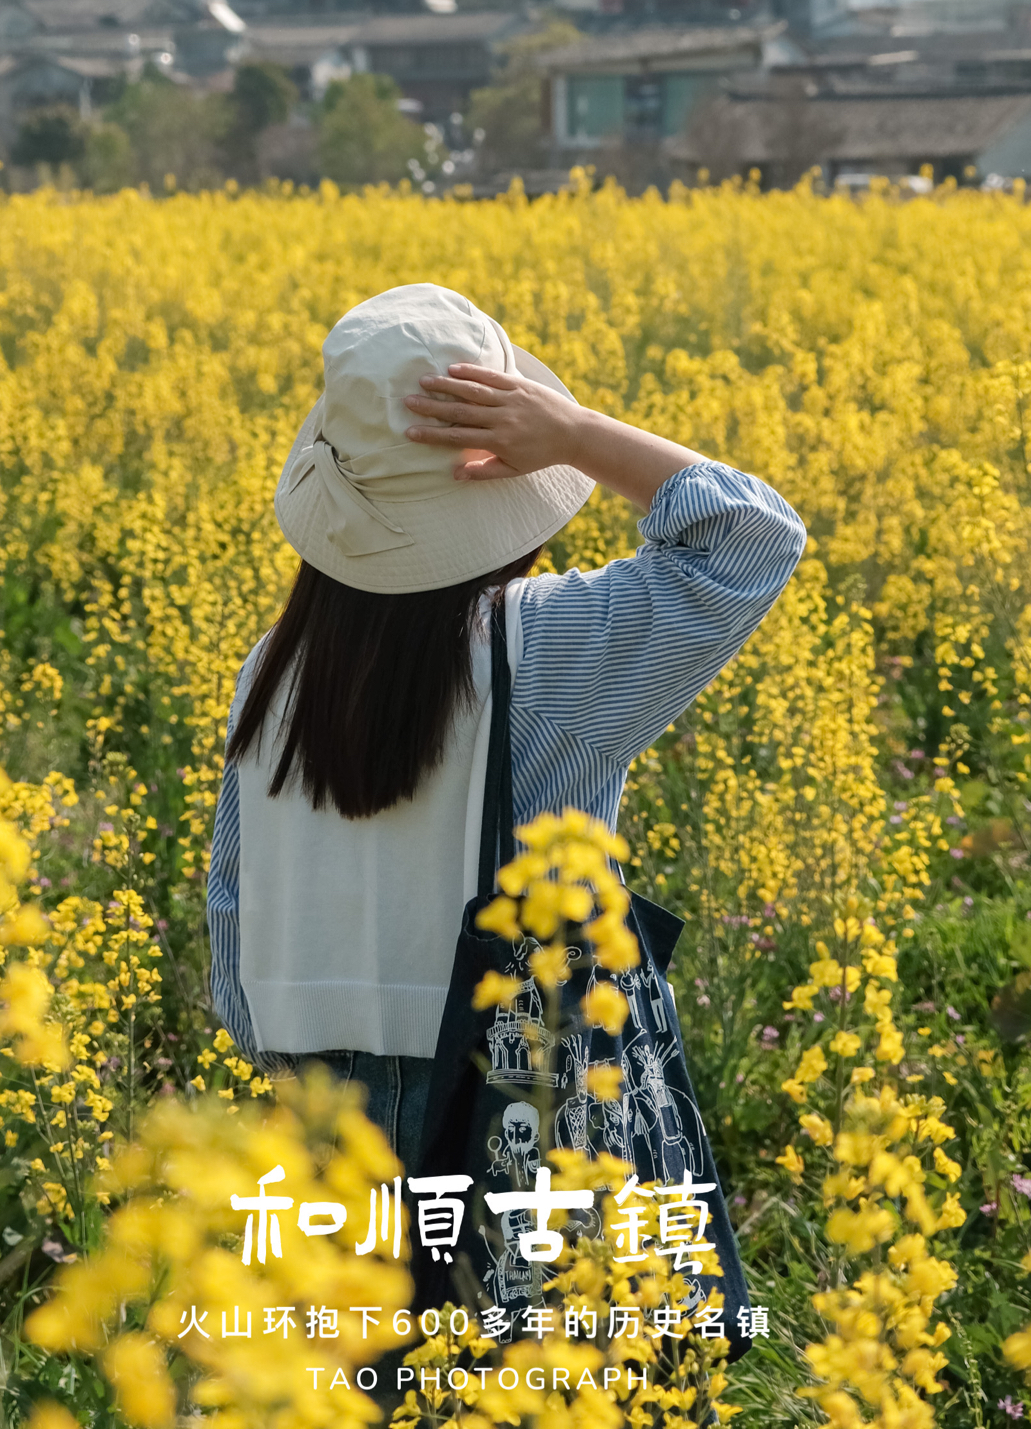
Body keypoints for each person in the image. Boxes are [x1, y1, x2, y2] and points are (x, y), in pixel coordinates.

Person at [207, 282, 805, 1174]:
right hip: (530, 1088)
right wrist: (576, 435)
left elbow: (233, 901)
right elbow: (752, 538)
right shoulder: (551, 646)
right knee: (551, 1315)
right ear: (503, 470)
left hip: (324, 1102)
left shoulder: (276, 667)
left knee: (373, 1317)